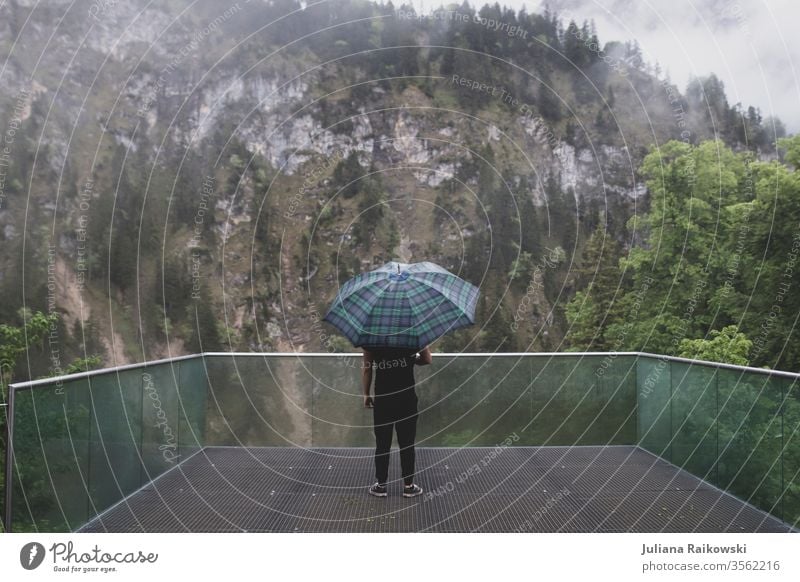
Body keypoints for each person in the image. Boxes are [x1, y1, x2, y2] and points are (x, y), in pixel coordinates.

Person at [361, 345, 432, 497]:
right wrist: (411, 360)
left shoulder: (372, 337)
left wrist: (366, 394)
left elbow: (367, 368)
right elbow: (427, 359)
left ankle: (381, 486)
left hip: (383, 398)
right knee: (407, 443)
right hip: (406, 398)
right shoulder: (413, 334)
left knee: (382, 443)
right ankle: (408, 486)